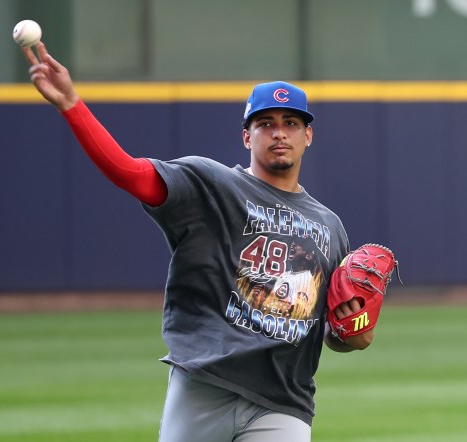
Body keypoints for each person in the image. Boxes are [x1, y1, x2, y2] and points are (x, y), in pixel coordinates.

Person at [21, 41, 374, 442]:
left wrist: (354, 332)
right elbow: (128, 172)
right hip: (204, 386)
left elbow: (334, 332)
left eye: (291, 123)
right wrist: (71, 104)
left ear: (308, 135)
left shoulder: (329, 227)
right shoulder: (211, 184)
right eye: (266, 123)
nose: (279, 133)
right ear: (247, 136)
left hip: (284, 403)